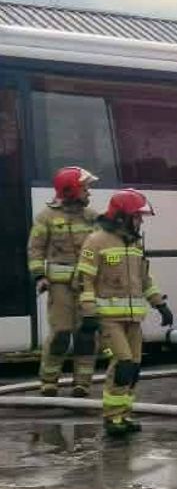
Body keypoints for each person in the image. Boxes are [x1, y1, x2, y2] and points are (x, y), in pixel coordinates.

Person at [74, 190, 173, 438]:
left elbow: (145, 279)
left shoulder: (135, 243)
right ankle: (111, 418)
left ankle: (124, 414)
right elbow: (84, 280)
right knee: (122, 365)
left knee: (135, 368)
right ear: (122, 217)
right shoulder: (96, 241)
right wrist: (88, 314)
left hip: (133, 321)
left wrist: (159, 304)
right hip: (108, 320)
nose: (140, 222)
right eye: (137, 217)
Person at [27, 166, 100, 398]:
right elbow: (35, 249)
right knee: (61, 332)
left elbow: (103, 249)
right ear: (71, 190)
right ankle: (49, 381)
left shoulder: (93, 218)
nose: (89, 193)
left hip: (88, 287)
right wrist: (39, 276)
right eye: (85, 188)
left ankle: (82, 383)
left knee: (86, 335)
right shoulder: (46, 217)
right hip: (60, 288)